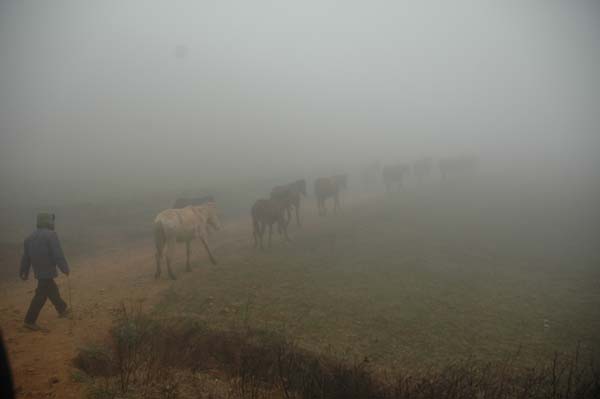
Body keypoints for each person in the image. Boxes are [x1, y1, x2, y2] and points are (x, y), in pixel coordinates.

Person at [19, 212, 71, 331]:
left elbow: (26, 257)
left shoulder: (29, 238)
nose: (53, 223)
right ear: (48, 222)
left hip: (39, 270)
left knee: (51, 289)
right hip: (47, 270)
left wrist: (24, 271)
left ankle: (62, 309)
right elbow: (57, 254)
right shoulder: (51, 235)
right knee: (41, 295)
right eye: (52, 220)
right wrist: (64, 268)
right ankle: (29, 320)